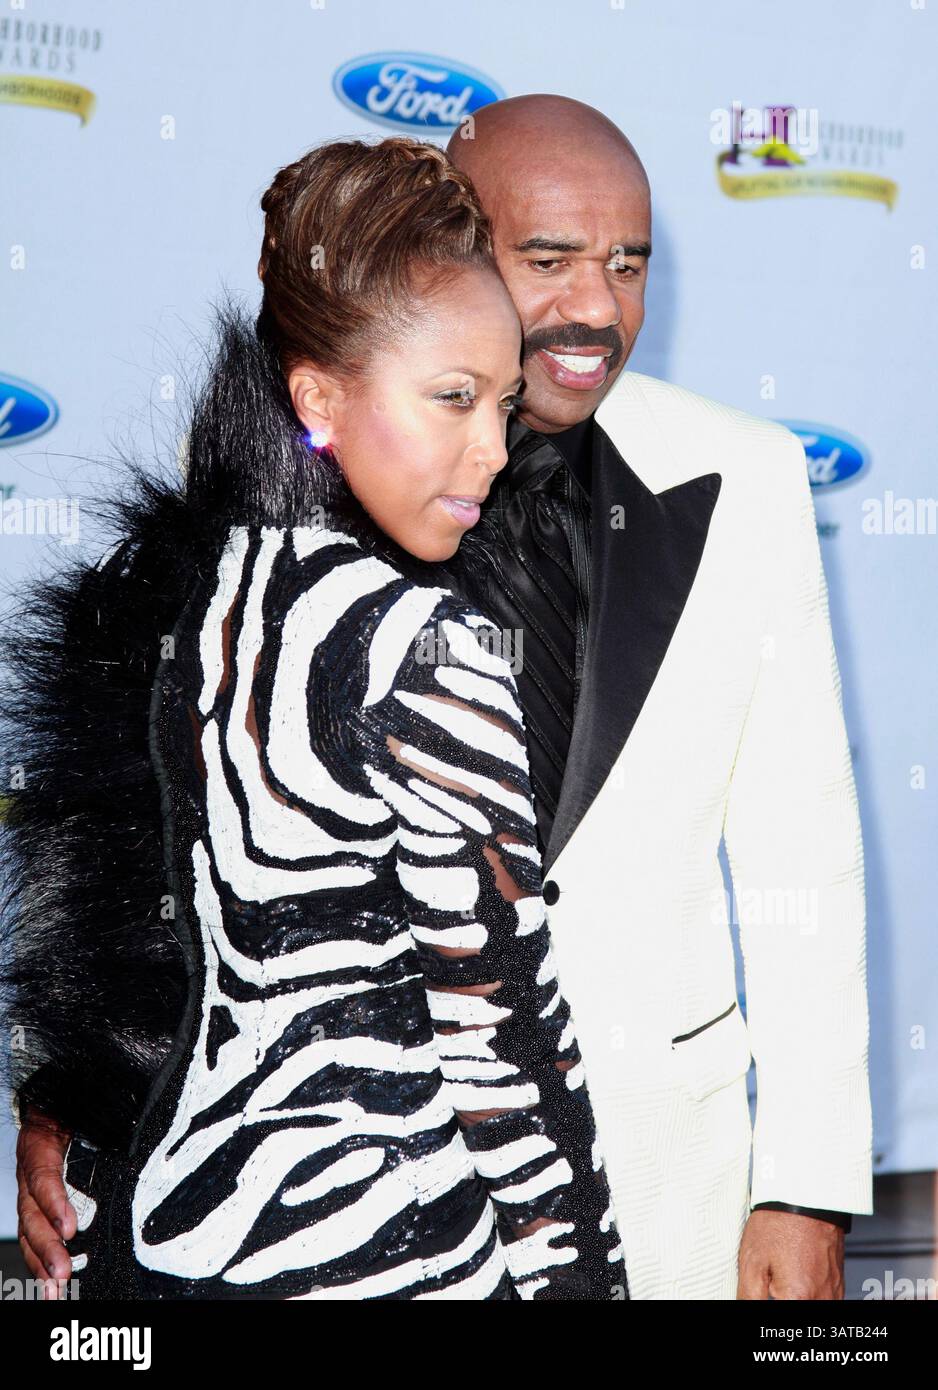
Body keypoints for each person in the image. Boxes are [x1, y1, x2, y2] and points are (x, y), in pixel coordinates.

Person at [13, 92, 873, 1302]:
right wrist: (75, 1092)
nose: (592, 306)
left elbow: (804, 858)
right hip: (363, 1205)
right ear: (459, 247)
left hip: (657, 1172)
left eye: (627, 263)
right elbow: (141, 845)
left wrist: (803, 1181)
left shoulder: (745, 473)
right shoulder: (285, 503)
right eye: (547, 259)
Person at [0, 137, 627, 1299]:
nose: (490, 448)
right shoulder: (419, 644)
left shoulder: (183, 602)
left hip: (168, 1238)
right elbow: (503, 1044)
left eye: (499, 403)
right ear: (317, 397)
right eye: (450, 399)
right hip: (386, 1245)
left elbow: (105, 930)